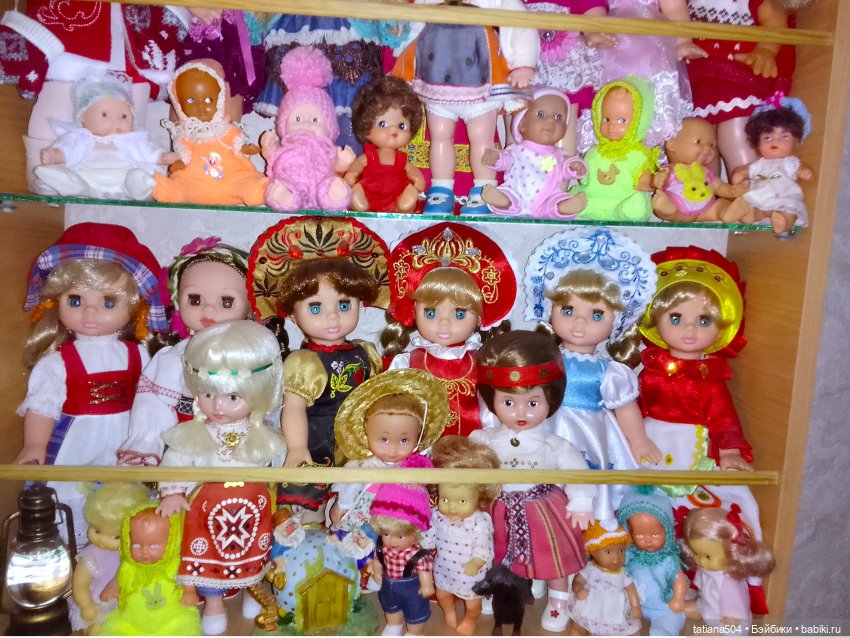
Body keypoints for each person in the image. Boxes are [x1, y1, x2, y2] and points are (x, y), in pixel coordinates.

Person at [15, 222, 167, 546]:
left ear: (133, 307)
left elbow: (154, 399)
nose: (90, 311)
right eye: (75, 300)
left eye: (108, 303)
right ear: (57, 301)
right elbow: (44, 407)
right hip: (77, 441)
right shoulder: (58, 362)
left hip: (126, 437)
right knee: (71, 492)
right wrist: (35, 445)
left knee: (122, 500)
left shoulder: (139, 355)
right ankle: (73, 550)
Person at [248, 216, 389, 513]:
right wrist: (298, 447)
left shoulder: (365, 352)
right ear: (293, 315)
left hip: (361, 443)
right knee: (308, 509)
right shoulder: (303, 361)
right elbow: (294, 408)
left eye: (344, 305)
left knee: (360, 505)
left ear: (360, 304)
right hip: (317, 442)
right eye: (315, 307)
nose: (332, 316)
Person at [524, 226, 660, 529]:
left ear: (616, 323)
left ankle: (593, 527)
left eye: (597, 315)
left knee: (588, 480)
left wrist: (638, 440)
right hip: (547, 425)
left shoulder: (609, 371)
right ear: (550, 311)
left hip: (591, 431)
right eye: (568, 310)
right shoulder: (544, 359)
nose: (579, 322)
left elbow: (625, 408)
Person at [156, 320, 286, 635]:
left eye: (232, 397)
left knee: (254, 551)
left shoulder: (264, 434)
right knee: (206, 553)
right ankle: (213, 602)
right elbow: (175, 460)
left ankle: (251, 588)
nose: (217, 406)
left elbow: (278, 465)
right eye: (208, 394)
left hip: (252, 509)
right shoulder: (194, 432)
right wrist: (172, 492)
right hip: (206, 510)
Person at [471, 330, 595, 633]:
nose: (521, 413)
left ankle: (558, 601)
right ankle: (497, 588)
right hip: (499, 507)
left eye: (533, 403)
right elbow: (467, 469)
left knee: (552, 556)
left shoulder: (554, 445)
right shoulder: (484, 440)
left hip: (543, 507)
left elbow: (576, 471)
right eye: (508, 402)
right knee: (496, 550)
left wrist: (580, 500)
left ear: (550, 400)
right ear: (492, 400)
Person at [118, 237, 252, 466]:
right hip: (184, 442)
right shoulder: (174, 357)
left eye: (226, 302)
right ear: (178, 300)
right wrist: (147, 444)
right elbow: (154, 405)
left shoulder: (252, 355)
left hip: (237, 442)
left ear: (250, 308)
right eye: (195, 300)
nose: (208, 309)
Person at [383, 222, 517, 437]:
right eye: (430, 313)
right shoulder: (405, 364)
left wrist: (491, 441)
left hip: (473, 448)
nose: (444, 324)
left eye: (460, 314)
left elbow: (491, 413)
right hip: (421, 452)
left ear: (479, 317)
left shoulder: (483, 363)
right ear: (413, 311)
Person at [33, 76, 176, 199]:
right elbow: (68, 150)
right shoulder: (80, 137)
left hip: (122, 183)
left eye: (124, 116)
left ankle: (137, 187)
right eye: (105, 114)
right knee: (74, 176)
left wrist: (162, 157)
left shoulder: (132, 140)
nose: (117, 121)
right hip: (88, 180)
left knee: (137, 175)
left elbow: (148, 152)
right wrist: (57, 156)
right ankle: (76, 187)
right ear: (83, 116)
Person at [152, 59, 267, 206]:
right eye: (191, 101)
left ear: (222, 99)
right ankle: (165, 190)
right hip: (194, 184)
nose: (200, 107)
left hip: (232, 179)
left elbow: (238, 146)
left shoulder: (228, 130)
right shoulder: (185, 137)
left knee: (245, 182)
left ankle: (256, 191)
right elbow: (183, 156)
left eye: (208, 100)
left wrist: (246, 148)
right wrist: (178, 163)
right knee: (180, 186)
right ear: (179, 104)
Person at [426, 436, 500, 636]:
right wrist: (423, 539)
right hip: (443, 568)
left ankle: (470, 619)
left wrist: (476, 561)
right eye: (445, 499)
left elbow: (483, 546)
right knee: (442, 594)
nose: (451, 507)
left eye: (461, 501)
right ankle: (448, 610)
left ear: (479, 497)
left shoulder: (479, 522)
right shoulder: (438, 515)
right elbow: (430, 535)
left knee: (472, 604)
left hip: (470, 573)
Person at [99, 503, 202, 636]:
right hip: (131, 622)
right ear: (127, 541)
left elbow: (187, 578)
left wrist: (189, 591)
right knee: (114, 629)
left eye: (153, 546)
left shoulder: (175, 564)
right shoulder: (128, 567)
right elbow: (120, 578)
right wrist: (112, 586)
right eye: (136, 545)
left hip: (174, 620)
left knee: (187, 628)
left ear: (171, 542)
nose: (144, 551)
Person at [680, 506, 775, 634]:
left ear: (730, 551)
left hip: (729, 622)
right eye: (697, 554)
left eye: (708, 556)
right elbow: (701, 583)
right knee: (680, 607)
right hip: (707, 607)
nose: (701, 561)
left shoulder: (729, 582)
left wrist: (724, 627)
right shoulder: (707, 567)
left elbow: (735, 615)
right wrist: (691, 591)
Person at [345, 76, 425, 213]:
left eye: (402, 126)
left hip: (397, 193)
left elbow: (412, 170)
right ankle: (360, 202)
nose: (393, 129)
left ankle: (403, 205)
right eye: (383, 124)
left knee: (408, 193)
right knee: (358, 190)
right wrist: (352, 173)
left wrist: (417, 178)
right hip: (370, 191)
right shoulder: (369, 156)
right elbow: (357, 165)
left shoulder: (401, 159)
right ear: (366, 129)